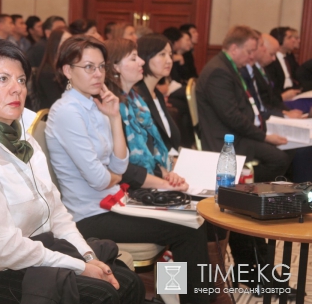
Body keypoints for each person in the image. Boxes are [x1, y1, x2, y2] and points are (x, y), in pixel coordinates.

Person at [0, 38, 143, 304]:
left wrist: (88, 257)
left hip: (31, 252)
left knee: (129, 281)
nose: (16, 89)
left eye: (20, 80)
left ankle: (182, 295)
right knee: (104, 292)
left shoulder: (23, 138)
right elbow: (0, 250)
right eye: (3, 79)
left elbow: (57, 211)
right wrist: (78, 265)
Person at [45, 35, 210, 304]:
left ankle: (176, 296)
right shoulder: (66, 112)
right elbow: (100, 179)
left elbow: (119, 164)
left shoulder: (96, 104)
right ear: (67, 71)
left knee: (190, 220)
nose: (98, 74)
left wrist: (113, 117)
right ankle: (193, 300)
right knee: (188, 231)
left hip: (115, 202)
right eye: (88, 67)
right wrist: (112, 175)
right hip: (91, 214)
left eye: (101, 67)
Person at [196, 25, 290, 183]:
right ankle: (246, 190)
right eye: (249, 51)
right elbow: (231, 116)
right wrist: (264, 137)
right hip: (226, 139)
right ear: (234, 49)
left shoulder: (230, 67)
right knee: (279, 159)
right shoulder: (219, 72)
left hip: (237, 133)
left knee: (287, 150)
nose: (252, 56)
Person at [105, 37, 186, 190]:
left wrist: (166, 174)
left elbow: (150, 153)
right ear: (115, 67)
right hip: (125, 190)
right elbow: (122, 170)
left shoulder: (137, 103)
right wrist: (165, 183)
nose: (141, 62)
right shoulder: (111, 107)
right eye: (134, 58)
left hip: (146, 181)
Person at [35, 28, 71, 110]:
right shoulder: (47, 72)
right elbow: (56, 102)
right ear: (56, 44)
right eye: (65, 41)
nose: (69, 45)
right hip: (52, 115)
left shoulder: (65, 67)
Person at [266, 27, 301, 101]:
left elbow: (299, 75)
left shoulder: (289, 57)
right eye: (289, 37)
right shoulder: (271, 59)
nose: (294, 40)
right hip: (281, 96)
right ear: (279, 39)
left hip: (294, 92)